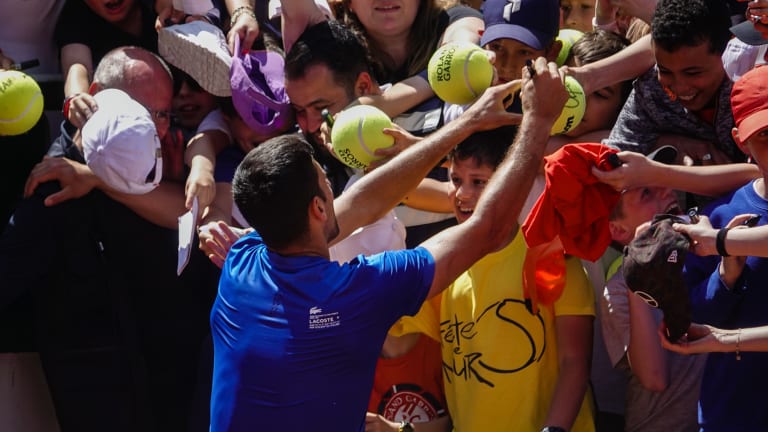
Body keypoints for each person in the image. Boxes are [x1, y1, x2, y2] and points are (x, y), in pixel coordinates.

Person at [208, 57, 569, 431]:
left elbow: (364, 202)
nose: (336, 193)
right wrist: (538, 121)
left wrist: (470, 122)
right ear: (317, 208)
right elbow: (487, 229)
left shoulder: (241, 261)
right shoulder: (359, 291)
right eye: (326, 184)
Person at [3, 46, 221, 431]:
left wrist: (99, 181)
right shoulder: (52, 184)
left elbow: (193, 210)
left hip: (175, 379)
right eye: (147, 112)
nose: (158, 127)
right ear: (100, 94)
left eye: (164, 114)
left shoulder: (168, 154)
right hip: (102, 392)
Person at [681, 63, 768, 431]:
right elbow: (694, 319)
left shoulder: (713, 231)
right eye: (766, 135)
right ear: (740, 139)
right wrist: (726, 273)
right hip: (735, 412)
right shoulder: (722, 214)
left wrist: (719, 243)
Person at [603, 0, 743, 166]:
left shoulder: (752, 85)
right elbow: (612, 160)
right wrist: (665, 144)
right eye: (665, 71)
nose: (679, 86)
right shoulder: (651, 90)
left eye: (693, 73)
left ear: (728, 51)